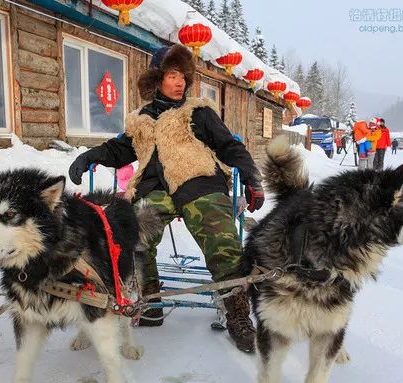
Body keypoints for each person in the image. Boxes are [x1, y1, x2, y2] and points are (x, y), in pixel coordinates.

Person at [68, 45, 264, 353]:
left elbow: (229, 146)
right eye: (172, 76)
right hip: (154, 189)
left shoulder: (199, 113)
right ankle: (150, 301)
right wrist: (90, 156)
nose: (180, 83)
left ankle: (237, 312)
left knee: (221, 238)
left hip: (199, 183)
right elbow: (120, 149)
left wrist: (251, 175)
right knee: (130, 232)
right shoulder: (142, 119)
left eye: (183, 77)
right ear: (158, 79)